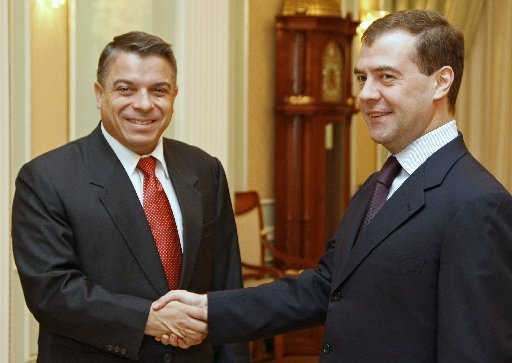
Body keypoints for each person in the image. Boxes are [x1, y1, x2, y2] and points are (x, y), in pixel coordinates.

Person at [154, 9, 512, 362]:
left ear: (441, 82)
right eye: (362, 78)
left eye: (386, 77)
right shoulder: (380, 184)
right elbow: (328, 288)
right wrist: (208, 310)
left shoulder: (478, 204)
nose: (366, 94)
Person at [11, 31, 249, 362]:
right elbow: (51, 291)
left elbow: (226, 287)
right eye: (125, 89)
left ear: (174, 95)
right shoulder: (47, 178)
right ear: (99, 94)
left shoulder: (205, 169)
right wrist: (149, 319)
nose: (144, 104)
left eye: (159, 90)